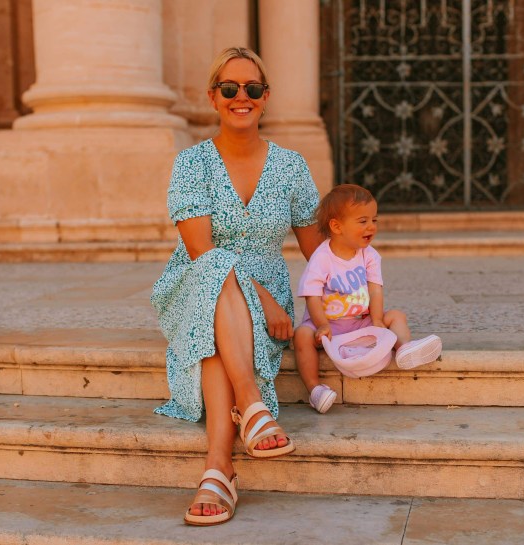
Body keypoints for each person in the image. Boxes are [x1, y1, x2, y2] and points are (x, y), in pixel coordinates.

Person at [151, 47, 323, 525]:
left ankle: (219, 469)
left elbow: (319, 255)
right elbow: (201, 250)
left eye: (251, 89)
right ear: (213, 97)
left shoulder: (291, 166)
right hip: (197, 281)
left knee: (213, 339)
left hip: (257, 301)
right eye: (229, 89)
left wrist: (355, 304)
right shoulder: (191, 164)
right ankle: (251, 405)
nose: (240, 97)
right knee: (213, 277)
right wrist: (263, 297)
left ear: (265, 97)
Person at [293, 184, 442, 414]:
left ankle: (404, 349)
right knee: (301, 335)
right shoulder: (322, 258)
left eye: (374, 220)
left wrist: (377, 320)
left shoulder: (369, 255)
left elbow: (375, 290)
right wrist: (321, 324)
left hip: (360, 320)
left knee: (395, 316)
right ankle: (314, 389)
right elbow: (312, 296)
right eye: (362, 221)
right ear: (336, 226)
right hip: (329, 325)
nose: (371, 226)